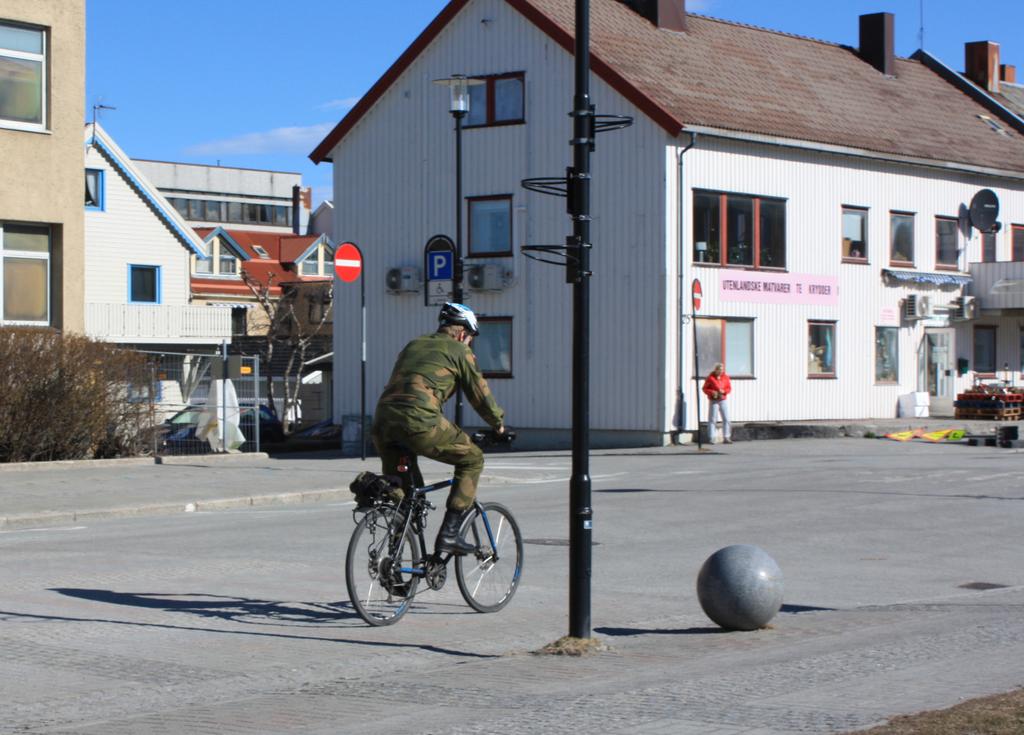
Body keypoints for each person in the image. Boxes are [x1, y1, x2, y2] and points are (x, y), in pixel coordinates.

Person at [372, 302, 506, 555]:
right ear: (463, 333)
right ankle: (450, 535)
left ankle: (393, 567)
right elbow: (479, 394)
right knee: (473, 459)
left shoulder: (413, 345)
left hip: (383, 422)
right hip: (419, 420)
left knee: (406, 497)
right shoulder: (458, 350)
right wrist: (497, 424)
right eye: (471, 339)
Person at [702, 362, 732, 444]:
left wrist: (724, 391)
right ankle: (712, 437)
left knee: (726, 418)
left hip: (723, 399)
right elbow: (704, 388)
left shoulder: (726, 378)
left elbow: (729, 388)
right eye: (719, 370)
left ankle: (726, 437)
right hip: (714, 400)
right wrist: (712, 392)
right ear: (716, 370)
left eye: (722, 370)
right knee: (712, 419)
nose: (721, 371)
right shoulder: (710, 378)